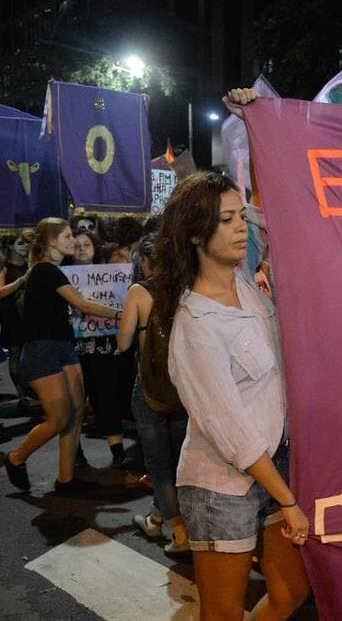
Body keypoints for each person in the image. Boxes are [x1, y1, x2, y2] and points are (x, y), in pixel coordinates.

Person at [153, 165, 310, 619]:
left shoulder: (244, 286)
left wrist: (253, 120)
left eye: (240, 216)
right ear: (195, 234)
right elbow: (231, 433)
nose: (241, 226)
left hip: (275, 466)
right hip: (221, 485)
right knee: (222, 613)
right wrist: (288, 500)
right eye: (226, 219)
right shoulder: (196, 325)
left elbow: (267, 201)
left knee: (290, 592)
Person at [2, 218, 123, 492]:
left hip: (63, 346)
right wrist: (121, 313)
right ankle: (16, 458)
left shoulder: (45, 271)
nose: (73, 240)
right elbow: (81, 304)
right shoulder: (47, 271)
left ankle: (66, 479)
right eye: (67, 236)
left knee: (77, 412)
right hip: (42, 351)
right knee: (58, 417)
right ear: (52, 242)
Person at [118, 233, 189, 555]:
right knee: (179, 461)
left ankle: (180, 534)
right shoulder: (185, 289)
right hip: (183, 388)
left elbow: (122, 343)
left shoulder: (139, 291)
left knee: (159, 465)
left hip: (149, 388)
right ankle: (156, 517)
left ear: (145, 262)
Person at [67, 229, 127, 466]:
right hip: (73, 348)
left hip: (103, 347)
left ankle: (118, 451)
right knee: (75, 402)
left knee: (106, 396)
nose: (81, 249)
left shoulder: (109, 275)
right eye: (77, 245)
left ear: (95, 248)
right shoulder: (61, 277)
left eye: (86, 244)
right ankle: (75, 453)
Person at [0, 231, 35, 410]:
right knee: (15, 352)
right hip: (10, 314)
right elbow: (1, 291)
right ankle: (20, 394)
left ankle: (31, 391)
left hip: (29, 315)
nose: (25, 247)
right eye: (20, 244)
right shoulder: (4, 266)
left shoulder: (30, 264)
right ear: (10, 246)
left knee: (29, 354)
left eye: (27, 243)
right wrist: (22, 280)